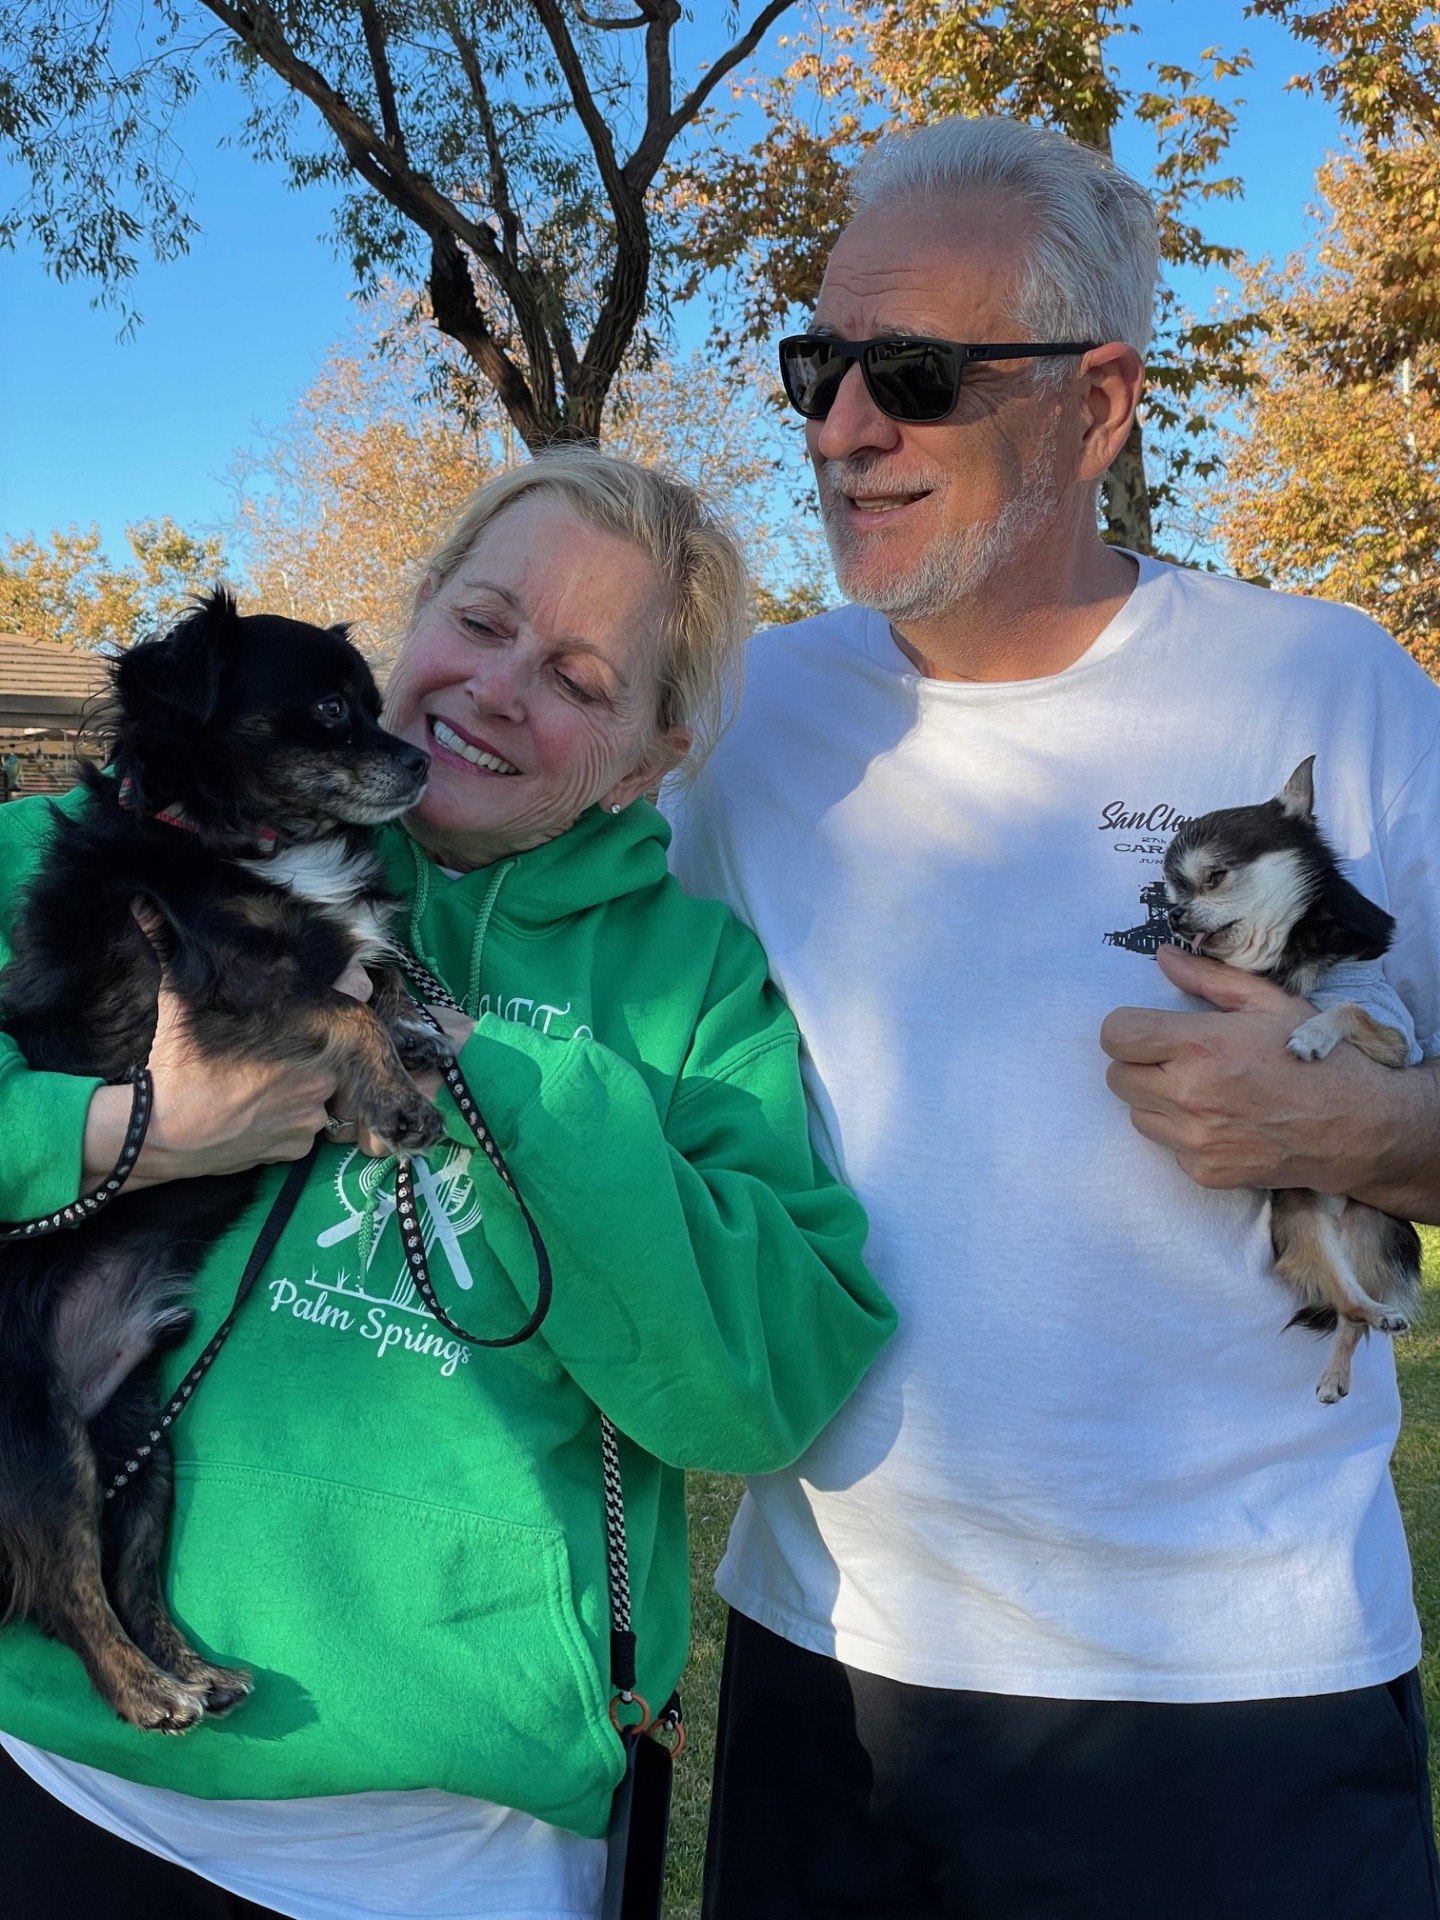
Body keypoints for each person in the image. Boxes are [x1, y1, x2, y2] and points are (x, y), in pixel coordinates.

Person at [664, 116, 1440, 1920]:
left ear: (1098, 408)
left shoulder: (1331, 683)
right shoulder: (749, 719)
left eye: (915, 375)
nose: (843, 428)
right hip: (825, 1669)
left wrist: (1371, 1130)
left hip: (1240, 1695)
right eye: (819, 366)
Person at [0, 448, 896, 1920]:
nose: (496, 689)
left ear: (650, 760)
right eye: (479, 623)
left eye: (579, 681)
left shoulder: (689, 985)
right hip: (63, 1771)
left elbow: (763, 1386)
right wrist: (112, 1133)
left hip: (450, 1849)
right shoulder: (95, 851)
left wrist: (514, 1083)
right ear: (415, 622)